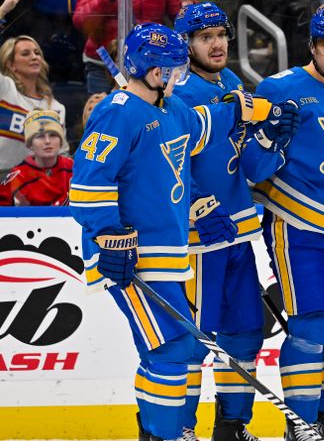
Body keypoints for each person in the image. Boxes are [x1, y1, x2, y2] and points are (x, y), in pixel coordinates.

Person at [69, 22, 279, 441]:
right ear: (150, 71)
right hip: (128, 255)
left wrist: (239, 109)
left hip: (168, 252)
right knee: (170, 348)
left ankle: (156, 433)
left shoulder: (170, 109)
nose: (179, 77)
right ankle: (165, 434)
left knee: (173, 346)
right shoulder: (117, 111)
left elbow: (202, 126)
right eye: (172, 70)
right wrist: (109, 235)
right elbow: (87, 184)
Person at [242, 3, 324, 441]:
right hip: (295, 223)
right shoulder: (278, 89)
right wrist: (266, 136)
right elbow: (252, 168)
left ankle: (323, 420)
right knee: (311, 325)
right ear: (312, 46)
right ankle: (298, 426)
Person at [171, 2, 299, 441]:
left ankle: (230, 426)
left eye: (221, 35)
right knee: (192, 341)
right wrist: (194, 204)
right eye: (205, 37)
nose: (218, 43)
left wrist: (271, 138)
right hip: (196, 241)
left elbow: (250, 166)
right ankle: (181, 428)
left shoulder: (229, 81)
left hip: (236, 234)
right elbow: (162, 164)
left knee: (245, 333)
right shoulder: (177, 92)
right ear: (186, 45)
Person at [0, 35, 67, 170]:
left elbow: (62, 154)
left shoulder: (56, 108)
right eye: (25, 54)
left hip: (36, 183)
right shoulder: (5, 89)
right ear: (11, 64)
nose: (34, 57)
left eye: (37, 53)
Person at [0, 109, 71, 206]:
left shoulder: (76, 169)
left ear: (61, 141)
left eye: (53, 135)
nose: (47, 141)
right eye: (40, 136)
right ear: (30, 144)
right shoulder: (15, 179)